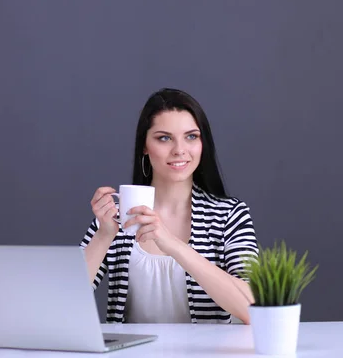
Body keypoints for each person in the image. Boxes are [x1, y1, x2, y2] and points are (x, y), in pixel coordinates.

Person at [79, 88, 259, 325]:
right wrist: (103, 236)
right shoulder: (116, 215)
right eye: (164, 138)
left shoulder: (229, 215)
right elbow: (62, 301)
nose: (179, 150)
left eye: (191, 136)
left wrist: (172, 244)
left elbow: (254, 307)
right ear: (144, 145)